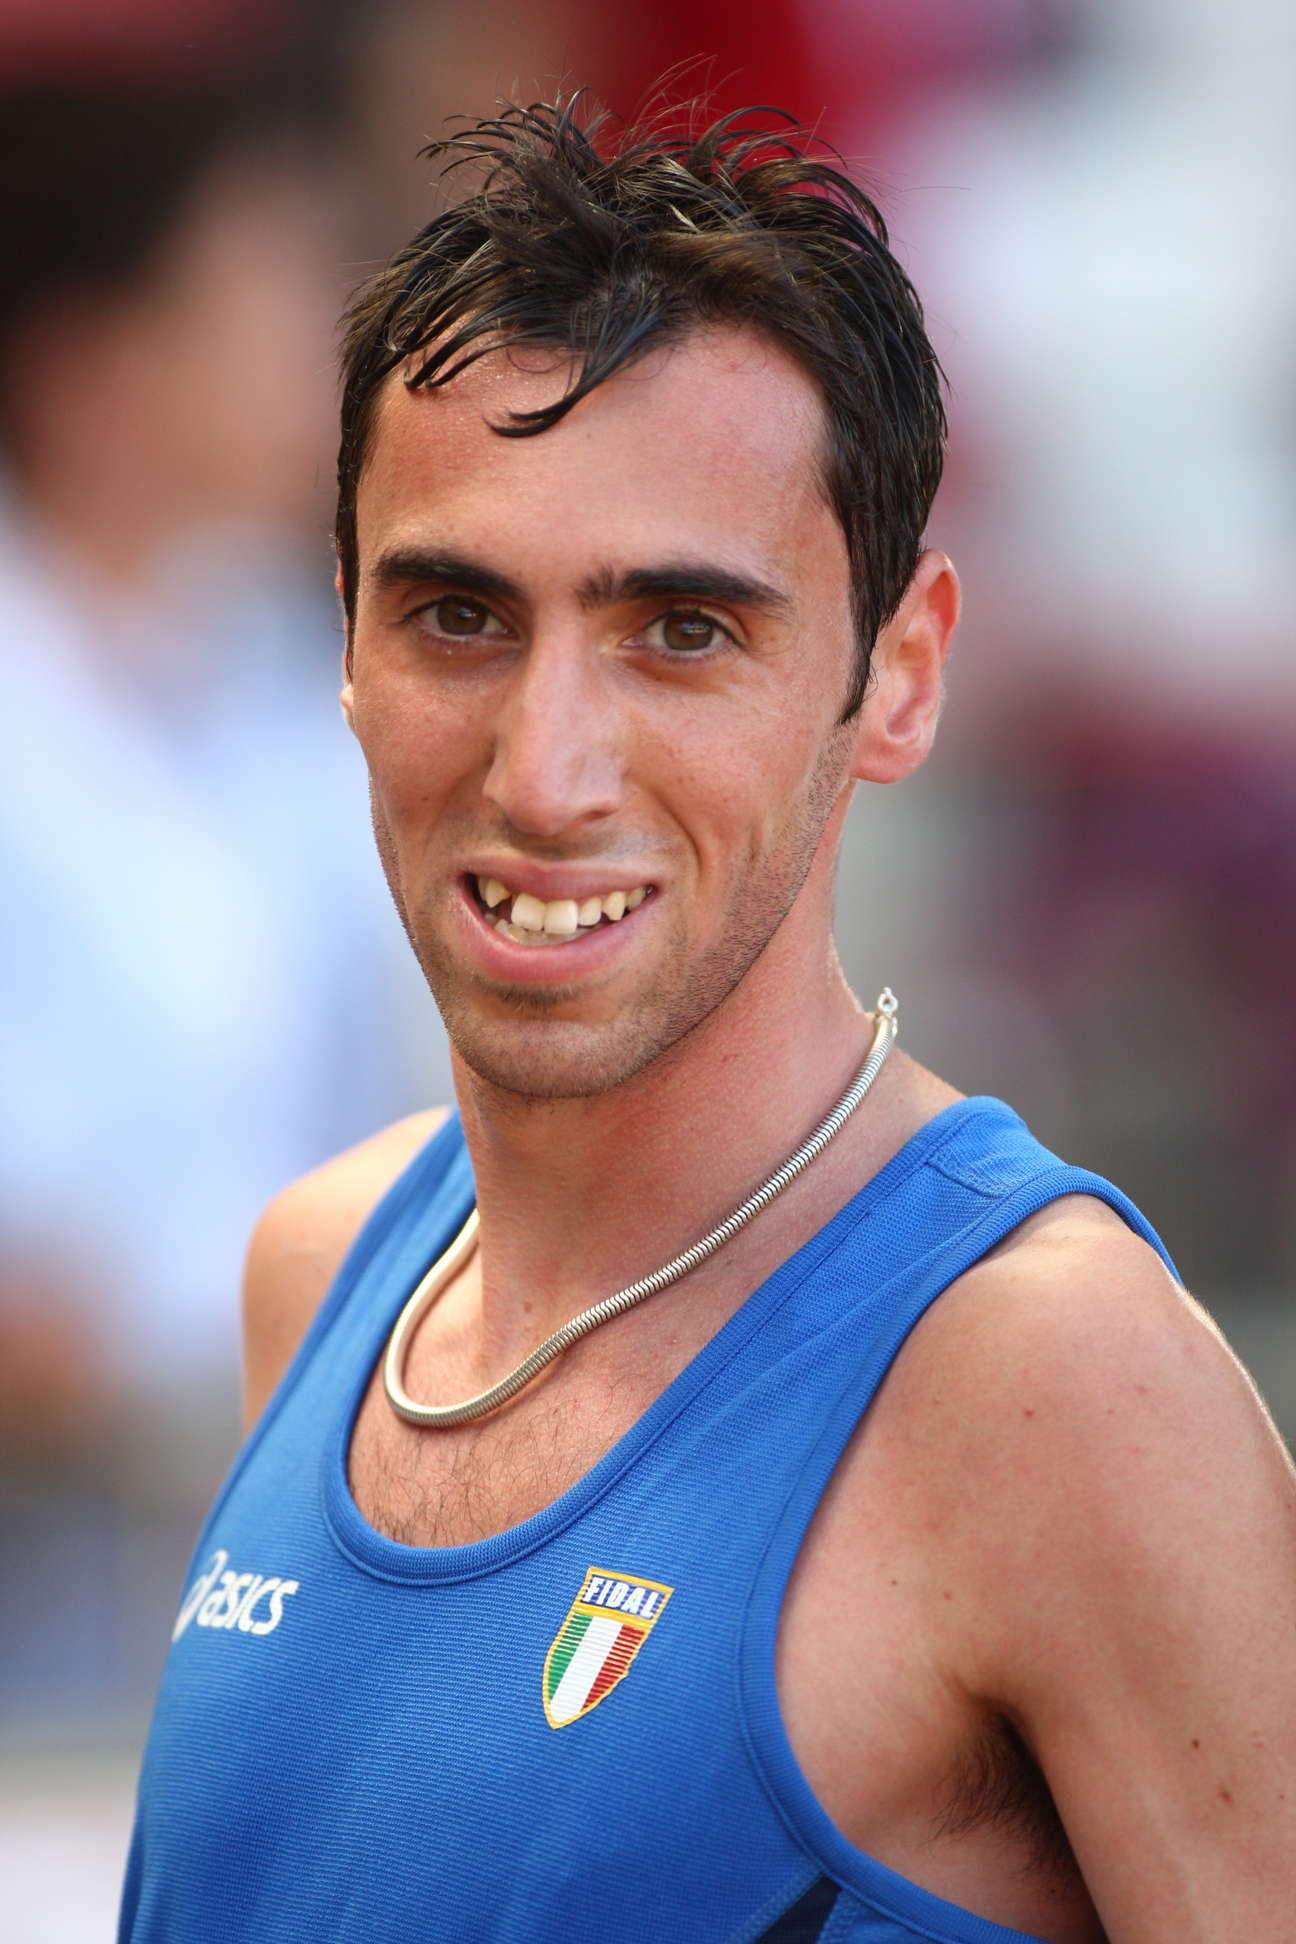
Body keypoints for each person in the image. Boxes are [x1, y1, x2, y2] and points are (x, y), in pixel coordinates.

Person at [119, 96, 1296, 1943]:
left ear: (898, 676)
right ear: (343, 632)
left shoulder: (1058, 1382)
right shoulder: (323, 1270)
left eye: (683, 630)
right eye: (457, 614)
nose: (546, 771)